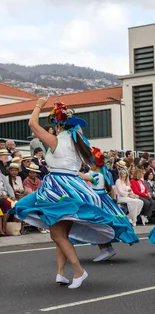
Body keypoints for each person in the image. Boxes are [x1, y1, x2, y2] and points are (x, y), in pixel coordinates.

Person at [9, 98, 132, 289]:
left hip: (59, 188)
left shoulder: (57, 141)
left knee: (56, 233)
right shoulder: (77, 141)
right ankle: (60, 272)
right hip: (71, 186)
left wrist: (39, 105)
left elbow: (32, 124)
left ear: (58, 125)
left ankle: (78, 270)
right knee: (59, 232)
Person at [78, 148, 139, 261]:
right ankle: (107, 248)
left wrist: (68, 169)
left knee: (97, 225)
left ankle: (105, 249)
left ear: (95, 164)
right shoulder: (101, 173)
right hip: (101, 200)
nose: (89, 164)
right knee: (99, 226)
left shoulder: (96, 175)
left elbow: (82, 176)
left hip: (97, 202)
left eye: (91, 162)